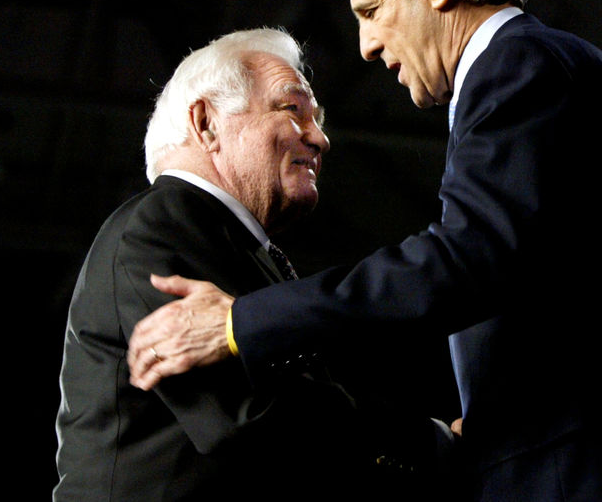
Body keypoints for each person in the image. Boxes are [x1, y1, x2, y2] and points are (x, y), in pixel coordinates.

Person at [127, 0, 602, 501]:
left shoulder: (518, 67)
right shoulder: (531, 71)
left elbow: (463, 260)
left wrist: (239, 323)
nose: (364, 46)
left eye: (372, 10)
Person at [54, 27, 454, 501]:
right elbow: (249, 414)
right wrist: (430, 443)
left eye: (318, 119)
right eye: (292, 110)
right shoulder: (160, 226)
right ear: (205, 123)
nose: (320, 138)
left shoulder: (229, 242)